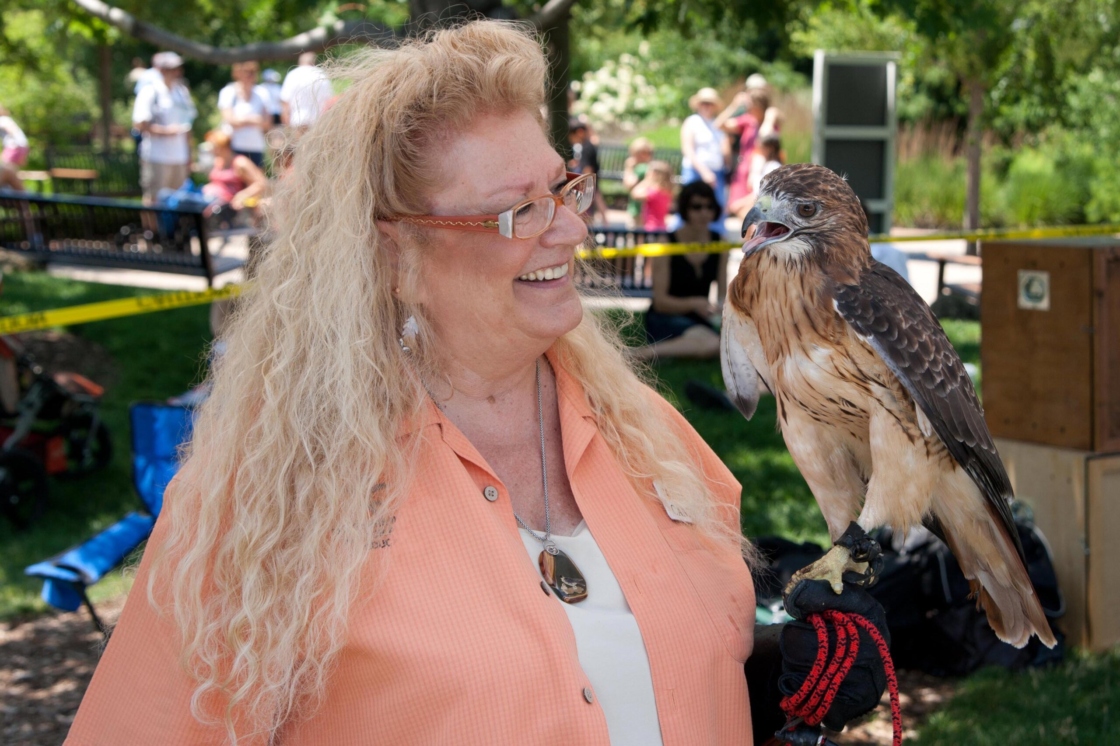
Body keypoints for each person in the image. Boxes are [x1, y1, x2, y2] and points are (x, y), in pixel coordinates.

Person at [66, 21, 886, 746]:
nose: (570, 228)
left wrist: (780, 682)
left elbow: (663, 677)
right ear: (394, 254)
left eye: (563, 188)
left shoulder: (650, 436)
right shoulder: (273, 496)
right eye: (517, 210)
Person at [634, 180, 728, 361]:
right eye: (696, 207)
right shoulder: (666, 243)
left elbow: (722, 296)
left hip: (700, 320)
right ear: (685, 209)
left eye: (709, 207)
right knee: (713, 344)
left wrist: (721, 313)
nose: (704, 213)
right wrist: (694, 303)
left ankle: (651, 353)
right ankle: (642, 355)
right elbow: (660, 302)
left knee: (719, 343)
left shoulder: (720, 243)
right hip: (665, 317)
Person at [132, 51, 196, 205]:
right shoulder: (149, 91)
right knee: (154, 200)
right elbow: (139, 124)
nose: (177, 72)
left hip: (179, 156)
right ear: (161, 70)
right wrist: (166, 132)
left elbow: (188, 125)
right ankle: (153, 223)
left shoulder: (182, 92)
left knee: (179, 200)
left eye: (178, 68)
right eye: (172, 69)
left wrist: (190, 154)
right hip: (156, 156)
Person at [718, 87, 779, 218]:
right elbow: (719, 125)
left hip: (760, 173)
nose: (746, 106)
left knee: (753, 211)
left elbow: (764, 137)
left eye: (749, 103)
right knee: (738, 209)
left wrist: (768, 118)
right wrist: (734, 106)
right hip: (743, 174)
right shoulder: (747, 121)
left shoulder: (770, 123)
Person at [679, 87, 728, 212]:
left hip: (717, 172)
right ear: (698, 105)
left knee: (716, 209)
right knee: (690, 208)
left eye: (710, 103)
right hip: (694, 171)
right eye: (704, 103)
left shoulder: (718, 124)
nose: (707, 106)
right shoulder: (692, 122)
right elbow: (687, 149)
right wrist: (704, 172)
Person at [200, 129, 268, 211]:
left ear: (223, 147)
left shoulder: (240, 162)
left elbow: (262, 183)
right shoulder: (218, 161)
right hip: (212, 203)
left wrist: (243, 195)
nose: (212, 150)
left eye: (214, 147)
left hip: (230, 208)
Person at [218, 61, 270, 168]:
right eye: (246, 71)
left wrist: (242, 120)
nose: (250, 75)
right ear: (237, 73)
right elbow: (230, 120)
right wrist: (254, 119)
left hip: (256, 146)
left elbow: (267, 123)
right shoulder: (228, 92)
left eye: (253, 72)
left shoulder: (262, 93)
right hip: (233, 146)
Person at [567, 118, 607, 221]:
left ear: (579, 132)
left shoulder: (586, 148)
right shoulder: (588, 145)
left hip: (588, 182)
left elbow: (587, 168)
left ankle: (602, 224)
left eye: (571, 135)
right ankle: (605, 222)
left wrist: (584, 185)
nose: (570, 139)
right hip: (594, 180)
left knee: (587, 209)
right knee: (598, 201)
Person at [280, 51, 331, 130]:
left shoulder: (293, 74)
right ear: (314, 61)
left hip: (297, 119)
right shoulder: (321, 74)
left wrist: (286, 121)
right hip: (318, 119)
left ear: (300, 62)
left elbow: (285, 101)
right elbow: (328, 100)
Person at [629, 160, 674, 232]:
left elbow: (635, 194)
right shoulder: (667, 192)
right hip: (661, 227)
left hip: (651, 228)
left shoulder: (654, 192)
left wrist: (646, 180)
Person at [622, 136, 654, 228]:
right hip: (643, 209)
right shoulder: (649, 167)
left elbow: (629, 184)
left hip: (639, 210)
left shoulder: (642, 168)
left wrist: (628, 168)